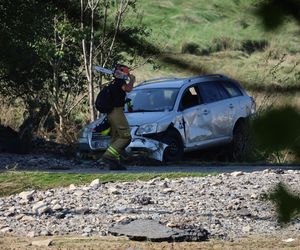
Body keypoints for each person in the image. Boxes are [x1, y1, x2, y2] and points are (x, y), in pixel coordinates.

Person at [101, 64, 135, 170]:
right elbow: (128, 89)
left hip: (111, 113)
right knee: (126, 137)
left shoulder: (113, 83)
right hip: (117, 112)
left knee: (116, 137)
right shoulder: (120, 82)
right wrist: (132, 80)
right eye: (127, 73)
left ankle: (114, 163)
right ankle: (108, 156)